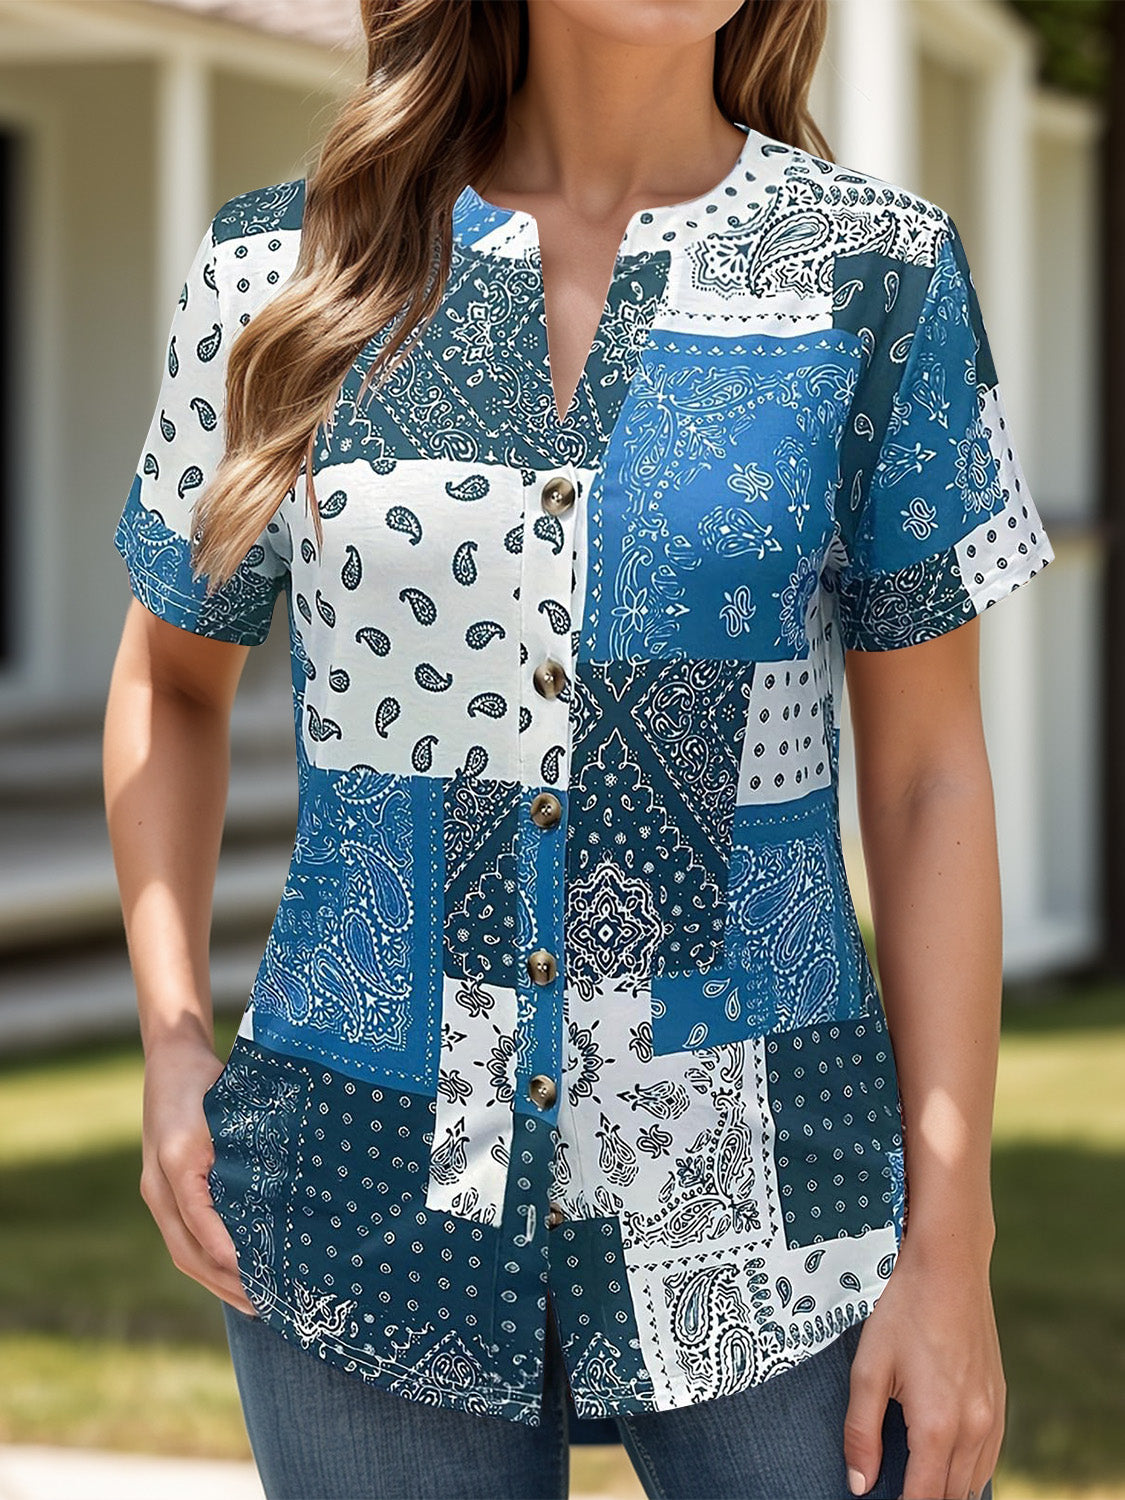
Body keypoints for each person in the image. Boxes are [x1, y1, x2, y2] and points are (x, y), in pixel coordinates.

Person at [102, 0, 1054, 1496]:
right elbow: (170, 684)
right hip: (360, 1177)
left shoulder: (876, 276)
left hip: (777, 1192)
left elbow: (930, 775)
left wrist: (953, 1243)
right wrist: (170, 1039)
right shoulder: (280, 270)